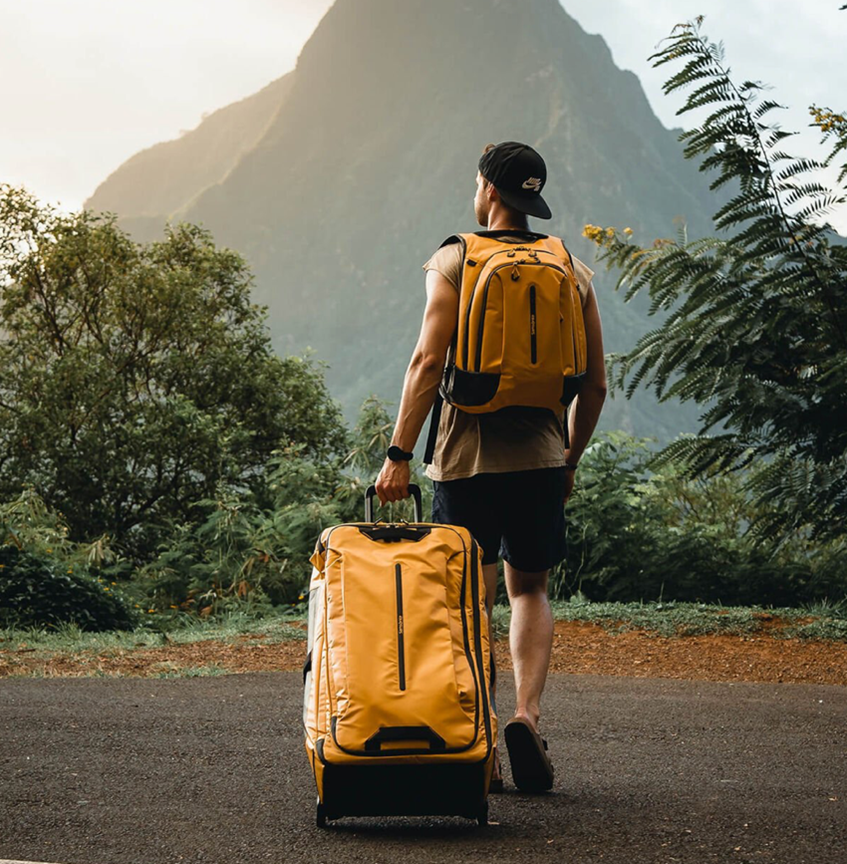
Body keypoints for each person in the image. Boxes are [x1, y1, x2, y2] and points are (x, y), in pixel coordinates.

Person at [374, 141, 607, 792]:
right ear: (529, 197)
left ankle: (482, 743)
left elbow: (426, 363)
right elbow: (593, 387)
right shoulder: (570, 267)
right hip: (539, 457)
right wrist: (568, 458)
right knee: (528, 591)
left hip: (463, 459)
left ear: (487, 191)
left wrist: (397, 455)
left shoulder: (455, 259)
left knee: (468, 605)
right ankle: (526, 716)